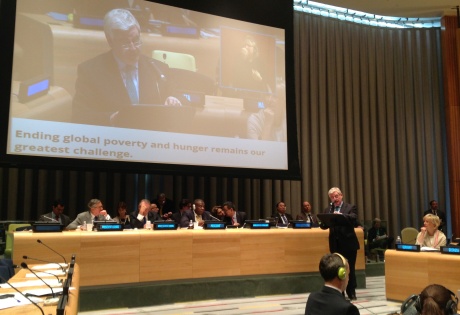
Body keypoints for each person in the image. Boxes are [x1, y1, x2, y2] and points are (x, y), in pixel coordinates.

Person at [72, 8, 181, 126]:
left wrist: (174, 100)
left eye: (136, 40)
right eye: (124, 43)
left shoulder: (159, 69)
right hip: (112, 138)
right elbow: (79, 116)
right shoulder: (90, 72)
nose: (133, 48)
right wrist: (111, 119)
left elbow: (179, 96)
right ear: (110, 41)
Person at [321, 187, 360, 301]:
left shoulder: (350, 207)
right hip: (335, 244)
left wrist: (340, 215)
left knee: (350, 268)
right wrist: (326, 219)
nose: (335, 198)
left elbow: (353, 218)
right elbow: (323, 226)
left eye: (336, 195)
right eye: (332, 197)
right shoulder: (328, 209)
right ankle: (340, 293)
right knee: (337, 268)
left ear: (341, 195)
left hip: (349, 243)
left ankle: (351, 292)